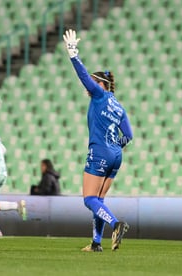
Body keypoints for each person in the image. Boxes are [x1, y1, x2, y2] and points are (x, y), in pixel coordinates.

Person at [63, 29, 133, 252]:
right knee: (98, 201)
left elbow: (83, 77)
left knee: (89, 198)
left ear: (100, 84)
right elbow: (129, 136)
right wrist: (114, 147)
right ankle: (96, 243)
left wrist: (73, 54)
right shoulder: (119, 106)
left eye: (93, 83)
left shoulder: (99, 95)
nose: (89, 88)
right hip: (116, 155)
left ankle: (116, 225)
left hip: (100, 151)